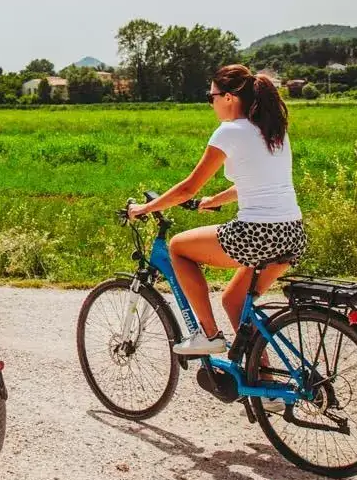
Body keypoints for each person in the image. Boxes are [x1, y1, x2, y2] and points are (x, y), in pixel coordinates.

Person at [126, 64, 307, 357]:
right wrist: (215, 200)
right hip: (292, 234)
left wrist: (144, 208)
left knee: (178, 248)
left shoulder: (229, 131)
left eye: (211, 97)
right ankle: (267, 389)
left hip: (257, 234)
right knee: (234, 302)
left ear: (229, 98)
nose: (210, 103)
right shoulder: (274, 132)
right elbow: (256, 184)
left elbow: (187, 189)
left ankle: (208, 335)